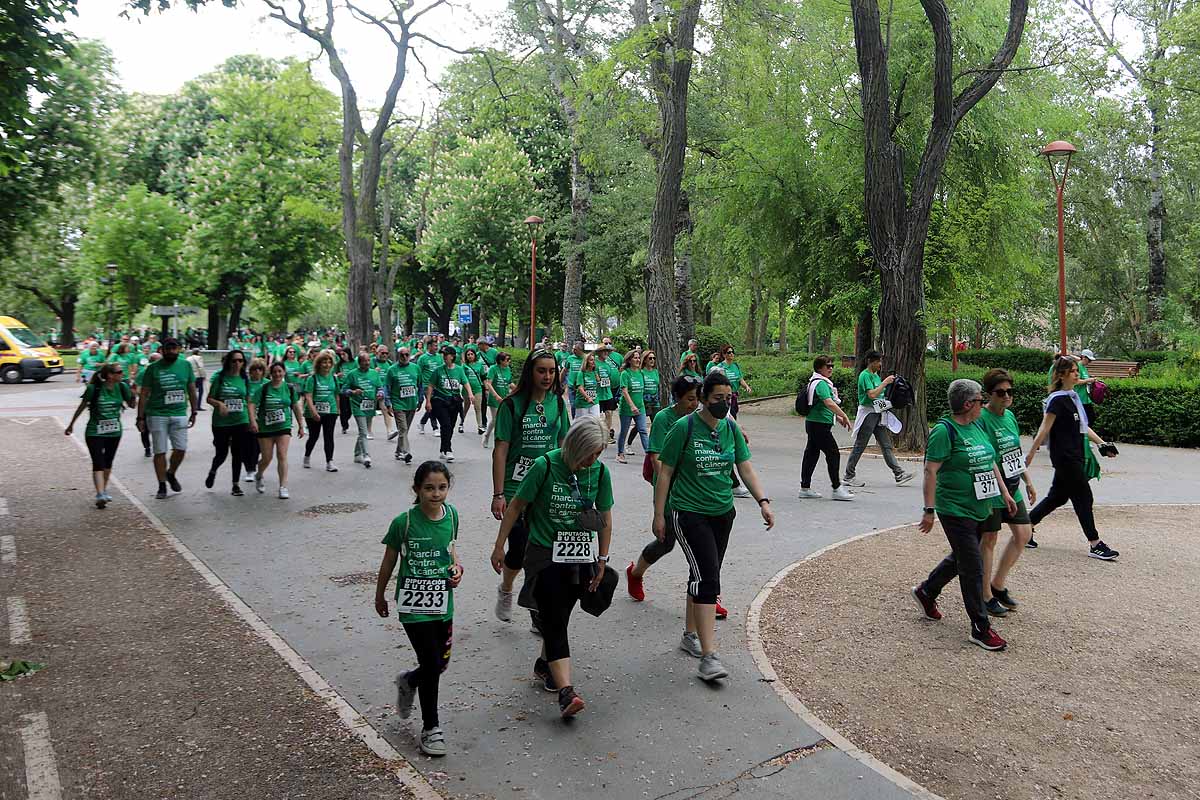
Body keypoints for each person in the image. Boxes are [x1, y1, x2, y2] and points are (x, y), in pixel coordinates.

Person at [652, 372, 774, 681]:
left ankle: (689, 635)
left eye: (728, 398)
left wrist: (762, 500)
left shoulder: (730, 428)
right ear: (704, 398)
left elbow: (744, 466)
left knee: (704, 574)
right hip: (689, 512)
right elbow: (664, 473)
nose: (724, 403)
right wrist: (659, 515)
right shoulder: (684, 427)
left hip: (723, 513)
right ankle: (709, 656)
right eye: (718, 398)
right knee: (708, 579)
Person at [490, 417, 613, 717]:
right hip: (545, 554)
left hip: (580, 556)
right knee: (555, 620)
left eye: (597, 454)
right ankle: (566, 692)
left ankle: (545, 665)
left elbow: (606, 517)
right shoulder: (545, 465)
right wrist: (499, 545)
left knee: (561, 616)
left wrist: (602, 559)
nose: (592, 460)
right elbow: (517, 506)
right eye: (589, 453)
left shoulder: (599, 472)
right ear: (574, 445)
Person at [912, 379, 1016, 651]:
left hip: (981, 505)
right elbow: (930, 471)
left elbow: (989, 459)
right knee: (972, 565)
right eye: (981, 400)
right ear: (969, 404)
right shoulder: (944, 431)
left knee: (962, 557)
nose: (984, 404)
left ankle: (927, 591)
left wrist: (1004, 493)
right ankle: (980, 627)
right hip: (954, 508)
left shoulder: (977, 425)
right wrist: (929, 510)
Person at [374, 460, 463, 756]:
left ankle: (409, 680)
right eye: (429, 488)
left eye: (442, 487)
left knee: (438, 664)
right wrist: (380, 595)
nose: (436, 494)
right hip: (413, 606)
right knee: (432, 663)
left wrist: (456, 569)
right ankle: (431, 728)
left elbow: (451, 551)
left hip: (442, 603)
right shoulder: (405, 522)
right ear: (416, 489)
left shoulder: (452, 516)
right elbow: (389, 561)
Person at [491, 350, 571, 626]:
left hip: (547, 487)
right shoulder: (511, 405)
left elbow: (564, 447)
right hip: (516, 488)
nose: (547, 376)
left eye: (551, 371)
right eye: (541, 371)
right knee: (519, 548)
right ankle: (507, 588)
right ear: (530, 372)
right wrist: (498, 494)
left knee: (544, 549)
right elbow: (500, 451)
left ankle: (538, 611)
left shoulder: (558, 404)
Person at [1026, 356, 1120, 560]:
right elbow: (1044, 428)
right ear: (1061, 375)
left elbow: (1083, 427)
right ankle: (1095, 544)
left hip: (1076, 455)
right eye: (1073, 371)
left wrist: (1102, 444)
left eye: (1077, 370)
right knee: (1083, 497)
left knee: (1057, 497)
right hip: (1065, 457)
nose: (1078, 374)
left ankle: (1026, 527)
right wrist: (1031, 454)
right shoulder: (1057, 399)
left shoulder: (1071, 397)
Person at [626, 374, 701, 600]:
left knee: (701, 545)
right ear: (676, 398)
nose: (694, 403)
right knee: (666, 543)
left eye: (697, 398)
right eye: (689, 399)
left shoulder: (699, 418)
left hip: (695, 492)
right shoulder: (663, 418)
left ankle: (706, 595)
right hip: (669, 490)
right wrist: (672, 482)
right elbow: (657, 459)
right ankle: (636, 573)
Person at [976, 368, 1036, 615]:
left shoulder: (1009, 417)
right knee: (988, 539)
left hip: (1013, 485)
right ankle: (984, 594)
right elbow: (986, 457)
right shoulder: (981, 418)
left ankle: (997, 584)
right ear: (989, 394)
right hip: (992, 487)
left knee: (1024, 533)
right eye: (1001, 393)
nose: (1006, 396)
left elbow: (1014, 453)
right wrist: (1000, 490)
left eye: (1010, 392)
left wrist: (1028, 481)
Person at [65, 362, 136, 508]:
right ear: (110, 375)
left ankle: (103, 490)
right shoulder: (94, 388)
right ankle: (100, 494)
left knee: (108, 461)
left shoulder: (122, 386)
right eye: (119, 372)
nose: (122, 374)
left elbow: (132, 405)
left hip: (114, 431)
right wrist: (71, 424)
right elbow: (82, 406)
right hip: (94, 431)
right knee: (98, 461)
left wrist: (133, 393)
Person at [136, 338, 198, 500]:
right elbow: (144, 393)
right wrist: (140, 417)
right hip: (157, 414)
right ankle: (161, 484)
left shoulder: (185, 365)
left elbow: (191, 389)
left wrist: (194, 411)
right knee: (160, 450)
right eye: (168, 349)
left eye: (174, 348)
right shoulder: (153, 369)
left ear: (179, 349)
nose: (171, 351)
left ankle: (171, 473)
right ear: (162, 350)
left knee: (181, 448)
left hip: (179, 412)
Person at [842, 350, 914, 487]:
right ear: (870, 361)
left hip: (878, 413)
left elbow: (880, 396)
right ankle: (848, 475)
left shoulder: (875, 375)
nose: (880, 364)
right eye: (878, 361)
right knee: (860, 445)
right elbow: (872, 395)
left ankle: (898, 473)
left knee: (886, 445)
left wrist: (890, 402)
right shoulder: (865, 376)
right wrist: (885, 383)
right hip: (868, 414)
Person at [797, 355, 854, 501]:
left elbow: (824, 405)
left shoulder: (818, 381)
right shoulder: (821, 383)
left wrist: (838, 418)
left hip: (815, 423)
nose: (830, 368)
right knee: (833, 453)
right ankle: (836, 488)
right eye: (827, 366)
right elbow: (829, 403)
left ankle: (805, 487)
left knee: (811, 454)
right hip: (818, 425)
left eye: (832, 366)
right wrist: (844, 415)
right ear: (819, 368)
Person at [248, 361, 305, 498]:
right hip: (266, 427)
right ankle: (259, 474)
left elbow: (296, 407)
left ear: (284, 372)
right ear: (271, 373)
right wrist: (253, 421)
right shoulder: (264, 388)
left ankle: (283, 487)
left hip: (283, 426)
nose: (277, 374)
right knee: (267, 458)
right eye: (274, 372)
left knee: (282, 455)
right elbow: (251, 404)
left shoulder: (289, 388)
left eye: (280, 371)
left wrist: (301, 425)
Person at [204, 350, 253, 495]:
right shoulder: (220, 378)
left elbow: (248, 400)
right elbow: (209, 398)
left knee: (237, 453)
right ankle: (213, 470)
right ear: (228, 362)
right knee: (222, 453)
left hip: (240, 420)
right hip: (221, 422)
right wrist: (219, 404)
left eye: (240, 361)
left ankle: (235, 485)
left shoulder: (245, 378)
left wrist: (252, 420)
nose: (237, 363)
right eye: (234, 361)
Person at [425, 345, 472, 462]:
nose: (444, 357)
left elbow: (465, 382)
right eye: (443, 355)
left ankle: (443, 448)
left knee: (450, 426)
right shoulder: (438, 370)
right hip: (440, 400)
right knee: (445, 424)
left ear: (453, 356)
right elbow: (430, 386)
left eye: (446, 355)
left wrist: (470, 394)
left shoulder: (459, 370)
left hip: (454, 402)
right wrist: (428, 401)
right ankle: (448, 449)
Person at [302, 350, 341, 472]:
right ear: (319, 364)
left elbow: (337, 395)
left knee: (329, 436)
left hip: (330, 411)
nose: (327, 364)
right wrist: (314, 412)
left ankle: (329, 461)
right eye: (324, 362)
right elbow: (308, 396)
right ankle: (307, 455)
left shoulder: (334, 378)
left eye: (330, 362)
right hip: (313, 412)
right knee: (314, 436)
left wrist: (337, 410)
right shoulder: (312, 378)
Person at [344, 351, 384, 468]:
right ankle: (366, 455)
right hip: (357, 405)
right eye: (364, 361)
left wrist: (380, 393)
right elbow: (344, 390)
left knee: (363, 432)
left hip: (370, 405)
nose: (367, 363)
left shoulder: (374, 373)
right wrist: (352, 392)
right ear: (359, 362)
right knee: (363, 431)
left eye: (368, 361)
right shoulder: (352, 374)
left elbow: (380, 386)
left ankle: (357, 455)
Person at [387, 347, 422, 463]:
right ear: (398, 356)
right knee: (403, 428)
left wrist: (421, 399)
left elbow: (420, 385)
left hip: (411, 403)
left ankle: (398, 451)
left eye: (407, 355)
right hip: (398, 403)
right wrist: (388, 403)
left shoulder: (416, 368)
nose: (405, 357)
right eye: (402, 355)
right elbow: (386, 387)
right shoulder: (392, 370)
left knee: (404, 431)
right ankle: (406, 452)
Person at [617, 351, 648, 464]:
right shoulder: (625, 373)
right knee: (624, 431)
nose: (638, 360)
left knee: (643, 430)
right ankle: (620, 453)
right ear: (629, 360)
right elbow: (624, 391)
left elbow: (642, 390)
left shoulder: (641, 373)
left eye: (638, 358)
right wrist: (632, 406)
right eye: (635, 358)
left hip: (640, 407)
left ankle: (649, 455)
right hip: (627, 408)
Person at [707, 346, 751, 417]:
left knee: (734, 411)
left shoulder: (735, 366)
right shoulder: (720, 366)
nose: (731, 354)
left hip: (734, 394)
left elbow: (740, 379)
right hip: (724, 396)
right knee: (729, 414)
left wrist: (746, 387)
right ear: (724, 355)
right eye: (729, 352)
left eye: (732, 352)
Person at [482, 351, 514, 448]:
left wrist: (518, 390)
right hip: (495, 398)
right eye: (507, 360)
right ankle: (489, 436)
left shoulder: (508, 369)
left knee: (504, 419)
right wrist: (496, 396)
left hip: (505, 397)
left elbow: (510, 383)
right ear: (500, 361)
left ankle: (495, 437)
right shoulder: (493, 369)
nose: (509, 361)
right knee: (496, 419)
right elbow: (489, 383)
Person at [417, 338, 442, 435]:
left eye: (437, 345)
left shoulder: (439, 357)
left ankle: (422, 422)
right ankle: (435, 428)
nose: (437, 347)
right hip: (426, 386)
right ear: (429, 346)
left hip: (438, 386)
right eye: (435, 346)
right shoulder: (422, 358)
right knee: (432, 406)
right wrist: (419, 387)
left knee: (433, 406)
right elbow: (418, 373)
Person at [460, 348, 487, 434]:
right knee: (466, 407)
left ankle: (480, 426)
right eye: (468, 354)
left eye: (472, 354)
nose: (470, 356)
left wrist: (486, 389)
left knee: (478, 408)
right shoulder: (464, 366)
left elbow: (483, 378)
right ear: (466, 356)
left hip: (478, 389)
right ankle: (461, 423)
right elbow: (462, 378)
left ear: (475, 355)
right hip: (467, 390)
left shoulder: (479, 365)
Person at [569, 351, 601, 419]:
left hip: (594, 400)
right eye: (591, 360)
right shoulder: (581, 373)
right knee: (582, 422)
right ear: (587, 362)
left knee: (596, 420)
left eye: (594, 360)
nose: (593, 362)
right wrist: (587, 398)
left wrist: (597, 377)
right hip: (582, 401)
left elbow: (598, 386)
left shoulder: (595, 373)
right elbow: (580, 388)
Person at [561, 341, 585, 408]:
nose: (573, 351)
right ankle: (575, 418)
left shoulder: (586, 358)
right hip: (572, 386)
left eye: (575, 349)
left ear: (581, 350)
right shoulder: (570, 358)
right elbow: (564, 371)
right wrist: (560, 382)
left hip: (583, 387)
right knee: (573, 405)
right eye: (573, 349)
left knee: (582, 406)